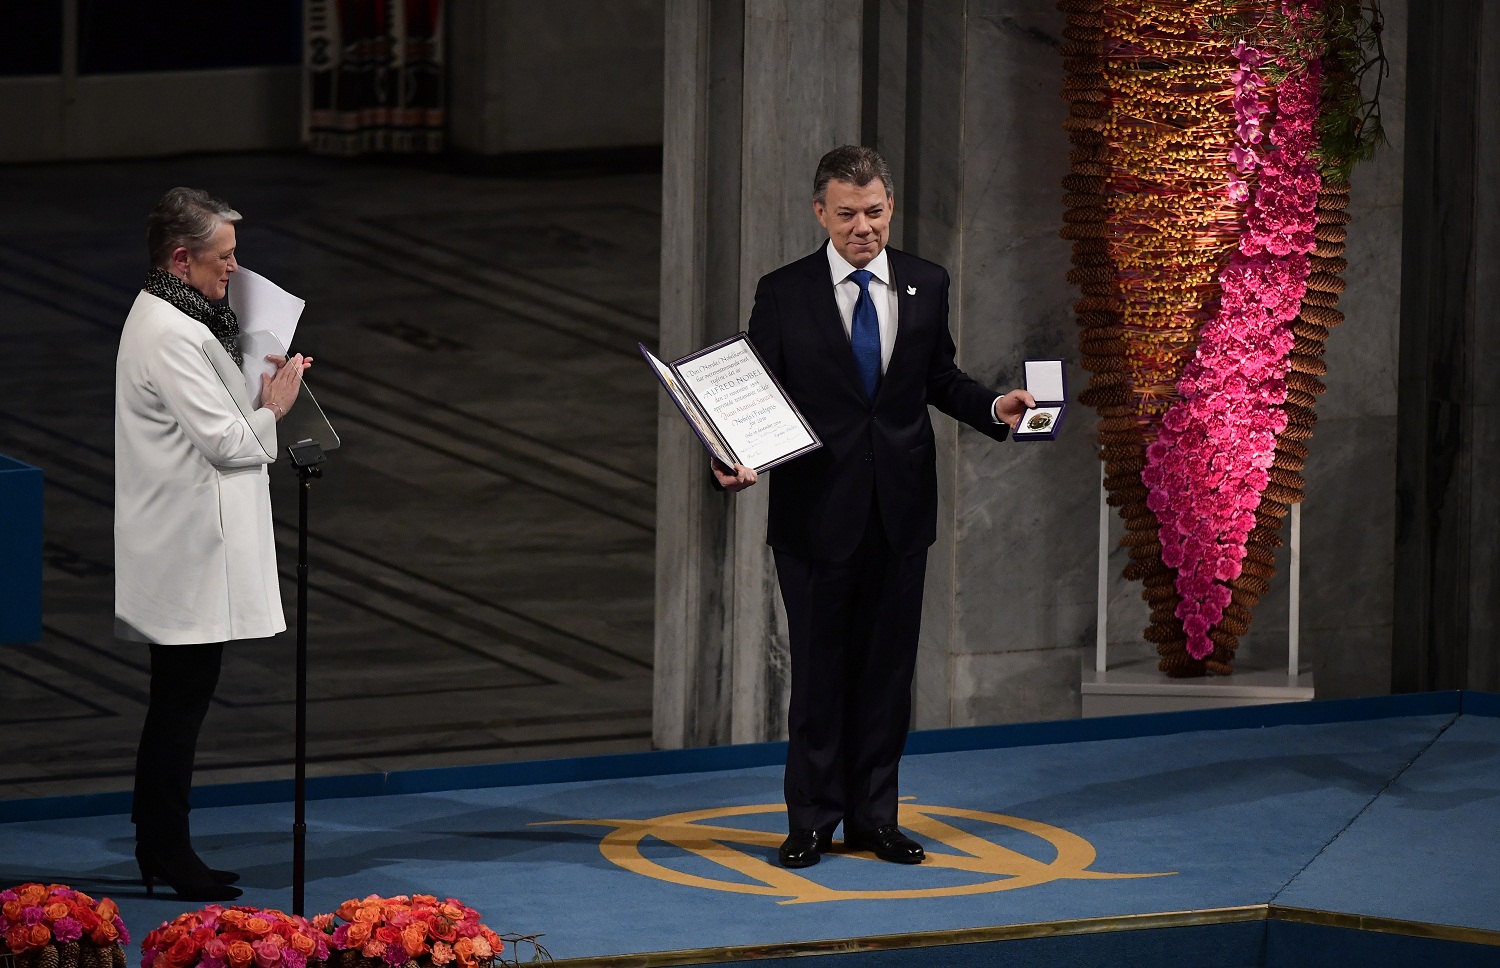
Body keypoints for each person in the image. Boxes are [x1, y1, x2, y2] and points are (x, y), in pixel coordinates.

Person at [714, 146, 1035, 869]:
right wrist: (728, 459)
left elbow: (940, 378)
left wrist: (992, 405)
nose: (865, 228)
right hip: (813, 517)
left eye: (876, 212)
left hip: (899, 515)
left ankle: (874, 819)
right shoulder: (783, 292)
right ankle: (811, 822)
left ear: (890, 207)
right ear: (820, 212)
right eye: (849, 214)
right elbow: (753, 395)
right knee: (821, 676)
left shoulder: (926, 281)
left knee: (887, 677)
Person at [115, 187, 309, 900]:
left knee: (181, 698)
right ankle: (164, 846)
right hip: (183, 546)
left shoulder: (186, 316)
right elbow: (228, 442)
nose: (234, 268)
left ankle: (160, 841)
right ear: (180, 256)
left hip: (188, 537)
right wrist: (274, 405)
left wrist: (255, 384)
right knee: (180, 702)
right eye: (224, 258)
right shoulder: (168, 331)